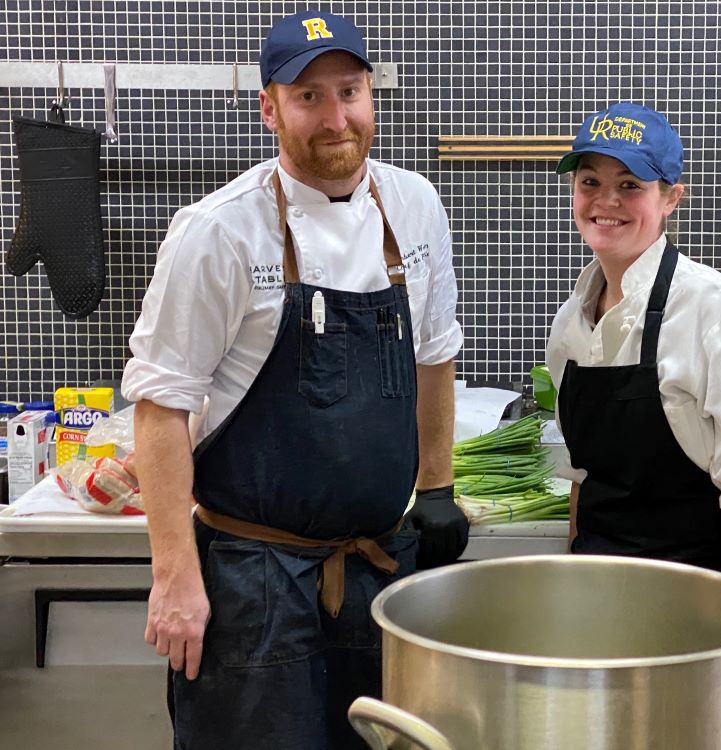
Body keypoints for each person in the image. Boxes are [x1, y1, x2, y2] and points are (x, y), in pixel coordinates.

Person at [121, 11, 468, 749]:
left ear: (372, 95)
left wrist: (435, 487)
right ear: (269, 109)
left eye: (350, 90)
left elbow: (436, 355)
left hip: (380, 575)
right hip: (255, 586)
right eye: (308, 97)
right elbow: (160, 408)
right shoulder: (217, 231)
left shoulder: (416, 206)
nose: (335, 117)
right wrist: (175, 574)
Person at [546, 102, 721, 745]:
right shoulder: (572, 322)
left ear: (671, 200)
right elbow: (585, 478)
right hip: (601, 625)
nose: (606, 201)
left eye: (630, 185)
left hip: (701, 630)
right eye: (590, 182)